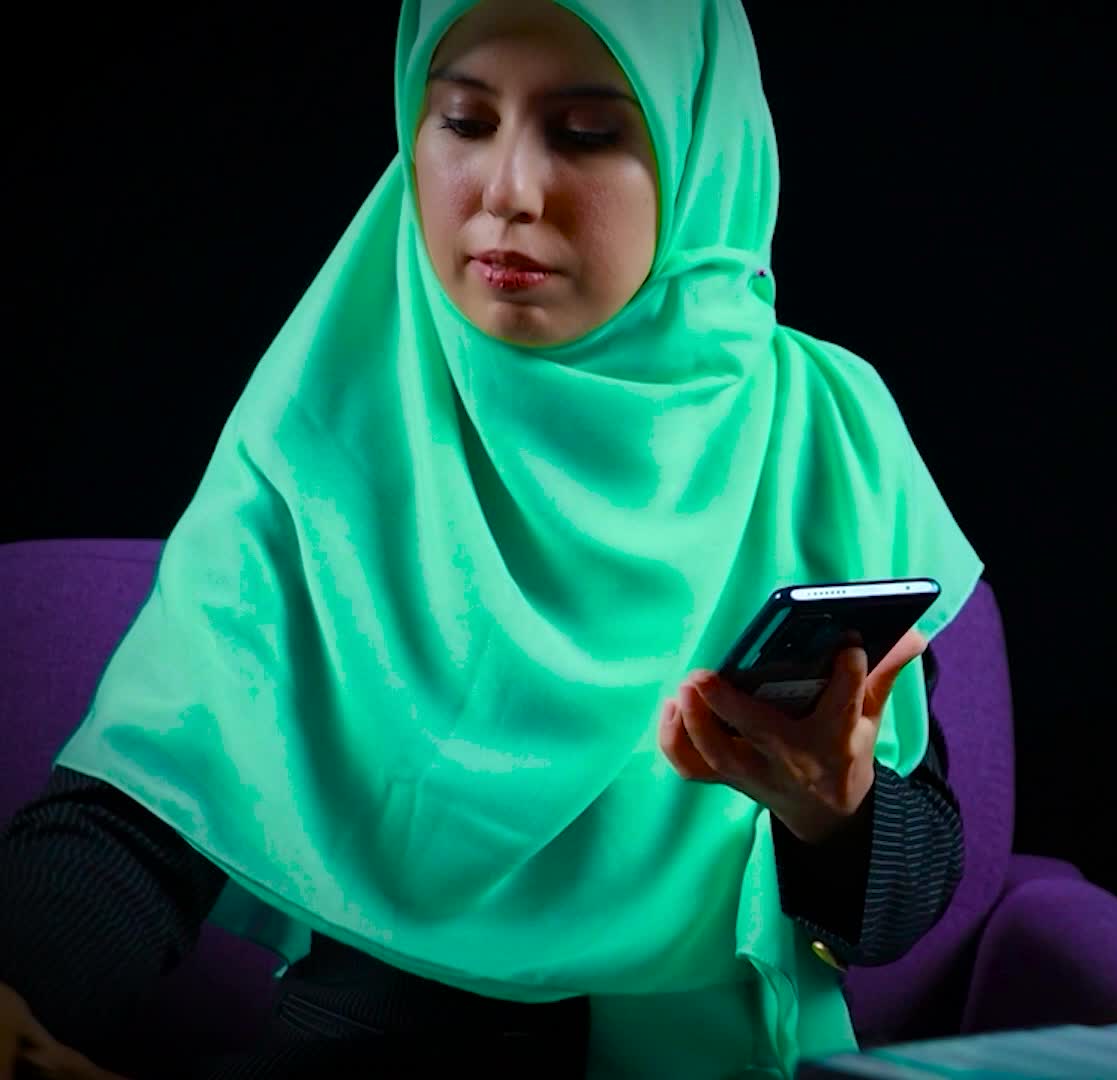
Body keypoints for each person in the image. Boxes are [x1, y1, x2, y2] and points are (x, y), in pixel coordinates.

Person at [0, 1, 982, 1077]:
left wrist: (834, 814)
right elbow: (138, 820)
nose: (509, 190)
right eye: (464, 121)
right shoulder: (326, 428)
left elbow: (901, 902)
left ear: (705, 159)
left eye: (586, 133)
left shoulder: (829, 435)